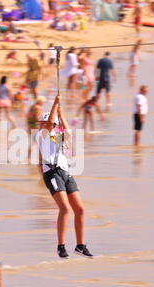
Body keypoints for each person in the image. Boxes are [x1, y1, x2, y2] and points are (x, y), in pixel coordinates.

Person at [35, 94, 93, 259]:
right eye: (43, 123)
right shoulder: (41, 135)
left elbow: (68, 132)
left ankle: (80, 246)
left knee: (80, 209)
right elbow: (48, 122)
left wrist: (61, 114)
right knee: (65, 208)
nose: (43, 125)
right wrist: (54, 103)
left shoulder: (57, 136)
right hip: (52, 173)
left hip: (65, 172)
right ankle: (61, 246)